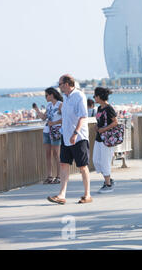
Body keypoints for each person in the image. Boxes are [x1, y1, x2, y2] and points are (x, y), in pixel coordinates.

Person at [47, 74, 91, 205]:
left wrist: (75, 133)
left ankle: (87, 194)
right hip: (65, 137)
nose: (59, 87)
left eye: (60, 84)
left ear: (66, 84)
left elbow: (83, 116)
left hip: (79, 137)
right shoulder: (65, 98)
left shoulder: (79, 96)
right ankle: (61, 195)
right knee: (63, 164)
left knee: (82, 167)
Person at [33, 87, 63, 185]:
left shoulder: (60, 105)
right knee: (48, 154)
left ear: (51, 95)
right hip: (47, 131)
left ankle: (59, 176)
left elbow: (66, 118)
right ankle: (49, 176)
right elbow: (44, 118)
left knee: (56, 154)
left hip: (56, 131)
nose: (45, 97)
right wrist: (36, 109)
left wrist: (54, 123)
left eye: (46, 95)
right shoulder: (49, 105)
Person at [93, 87, 118, 193]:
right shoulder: (99, 108)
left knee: (105, 161)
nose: (94, 98)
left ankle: (108, 184)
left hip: (107, 139)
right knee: (96, 161)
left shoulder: (109, 108)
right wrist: (97, 127)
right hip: (99, 138)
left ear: (99, 97)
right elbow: (99, 120)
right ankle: (109, 180)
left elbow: (115, 122)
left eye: (95, 96)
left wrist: (104, 129)